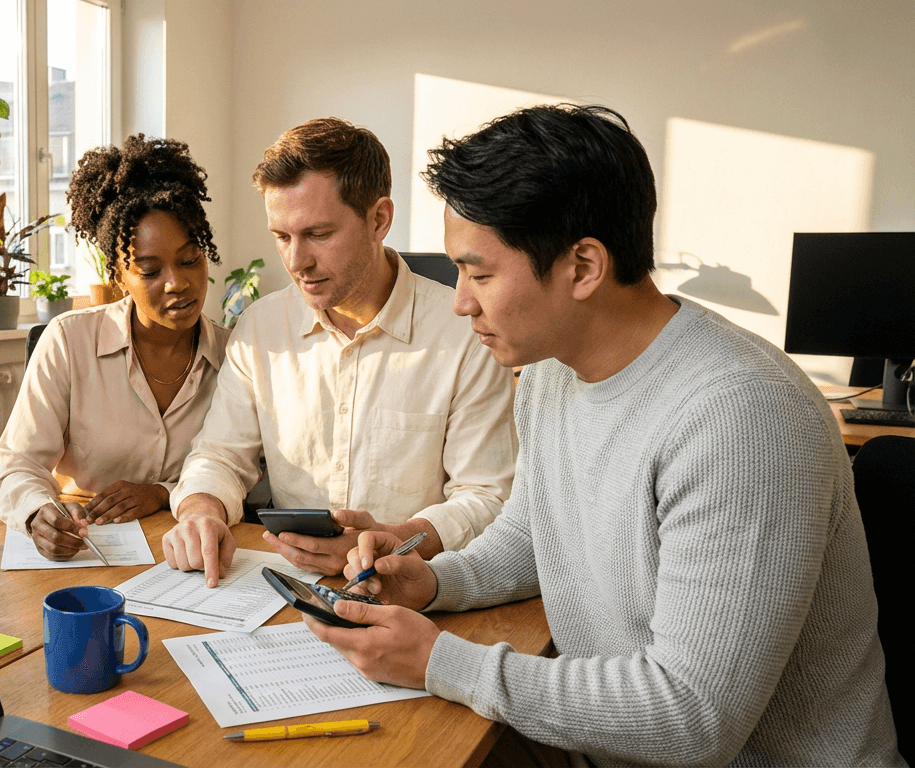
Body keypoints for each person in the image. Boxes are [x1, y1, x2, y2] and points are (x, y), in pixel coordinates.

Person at [306, 104, 901, 766]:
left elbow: (692, 716)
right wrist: (432, 582)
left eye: (480, 273)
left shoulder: (742, 417)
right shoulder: (550, 373)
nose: (460, 301)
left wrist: (439, 661)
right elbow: (534, 535)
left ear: (584, 266)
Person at [161, 118, 516, 586]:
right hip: (287, 587)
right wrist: (201, 511)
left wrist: (395, 539)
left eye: (318, 234)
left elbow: (486, 496)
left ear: (379, 220)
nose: (296, 262)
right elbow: (220, 456)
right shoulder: (261, 328)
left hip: (412, 586)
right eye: (282, 236)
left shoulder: (465, 333)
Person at [0, 135, 232, 560]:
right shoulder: (69, 342)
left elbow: (244, 469)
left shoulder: (233, 357)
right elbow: (19, 465)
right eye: (150, 271)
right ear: (119, 276)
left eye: (190, 260)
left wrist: (161, 493)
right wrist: (38, 514)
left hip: (184, 550)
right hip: (87, 543)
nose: (177, 283)